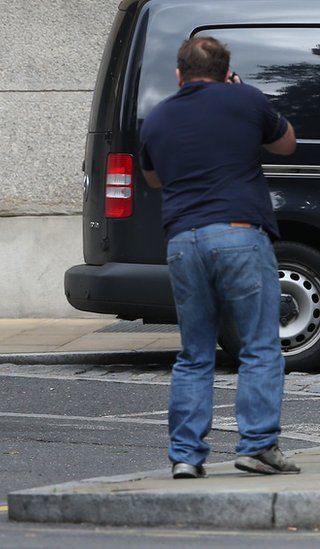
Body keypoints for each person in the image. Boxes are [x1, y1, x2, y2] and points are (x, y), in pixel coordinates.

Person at [139, 37, 300, 479]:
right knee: (259, 345)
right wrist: (242, 95)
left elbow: (153, 178)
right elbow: (287, 144)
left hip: (183, 242)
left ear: (179, 74)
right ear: (227, 72)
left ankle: (186, 456)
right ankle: (258, 447)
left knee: (194, 353)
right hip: (239, 234)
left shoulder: (157, 117)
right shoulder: (246, 100)